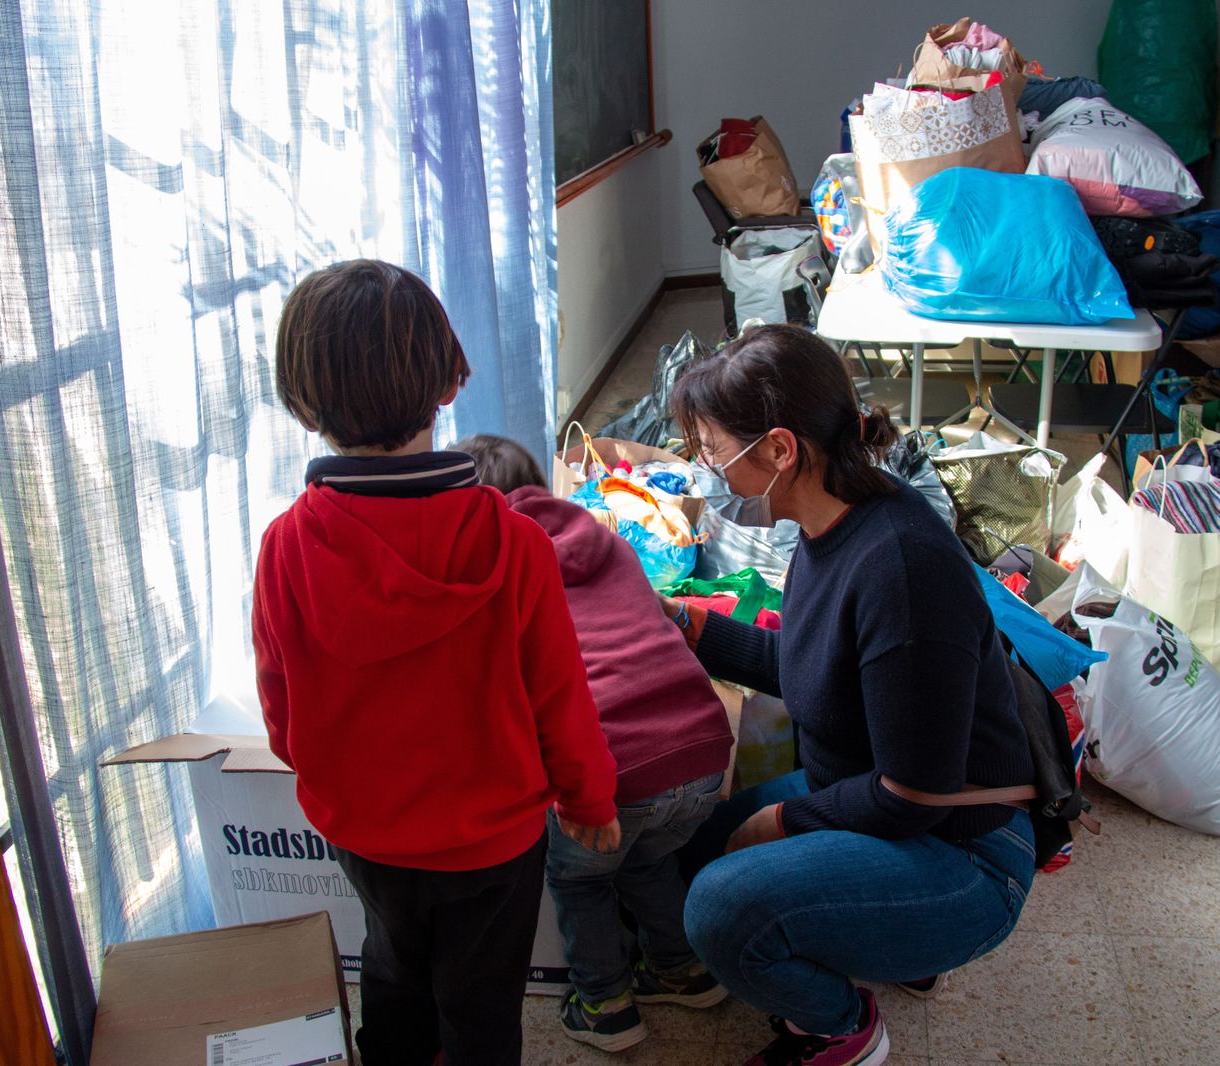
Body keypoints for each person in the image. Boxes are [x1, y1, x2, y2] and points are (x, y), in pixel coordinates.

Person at [252, 260, 621, 1066]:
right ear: (450, 381)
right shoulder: (517, 543)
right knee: (481, 997)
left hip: (366, 829)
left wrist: (329, 769)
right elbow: (561, 696)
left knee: (390, 961)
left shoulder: (286, 544)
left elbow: (280, 703)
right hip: (493, 842)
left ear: (303, 403)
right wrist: (588, 797)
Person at [666, 324, 1037, 1066]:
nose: (706, 468)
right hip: (875, 797)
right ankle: (875, 932)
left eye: (712, 449)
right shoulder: (828, 518)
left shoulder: (899, 568)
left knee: (719, 908)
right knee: (693, 849)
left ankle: (842, 1029)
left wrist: (780, 819)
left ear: (778, 449)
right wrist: (688, 625)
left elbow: (910, 794)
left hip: (961, 852)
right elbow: (816, 670)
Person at [456, 434, 733, 1053]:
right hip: (704, 746)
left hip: (616, 762)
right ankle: (680, 969)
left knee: (581, 879)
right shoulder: (601, 536)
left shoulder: (499, 564)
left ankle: (604, 1003)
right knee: (647, 859)